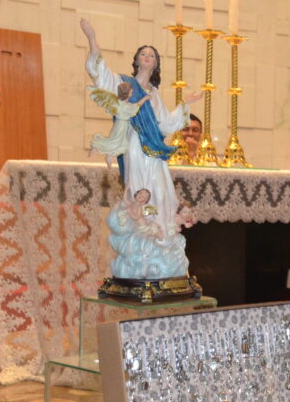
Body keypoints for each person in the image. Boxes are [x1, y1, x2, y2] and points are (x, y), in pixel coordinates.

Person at [80, 17, 201, 249]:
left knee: (159, 184)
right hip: (134, 144)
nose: (147, 57)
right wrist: (92, 38)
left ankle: (160, 228)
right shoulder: (123, 83)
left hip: (154, 147)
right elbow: (100, 74)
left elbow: (165, 124)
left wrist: (186, 104)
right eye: (143, 54)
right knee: (139, 184)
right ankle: (143, 228)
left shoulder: (154, 93)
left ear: (155, 64)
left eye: (152, 55)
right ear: (136, 60)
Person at [88, 82, 151, 163]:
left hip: (118, 124)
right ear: (128, 93)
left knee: (115, 143)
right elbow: (137, 106)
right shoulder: (126, 106)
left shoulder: (118, 103)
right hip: (121, 126)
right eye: (131, 91)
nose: (132, 91)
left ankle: (107, 155)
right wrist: (145, 98)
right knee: (120, 145)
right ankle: (98, 149)